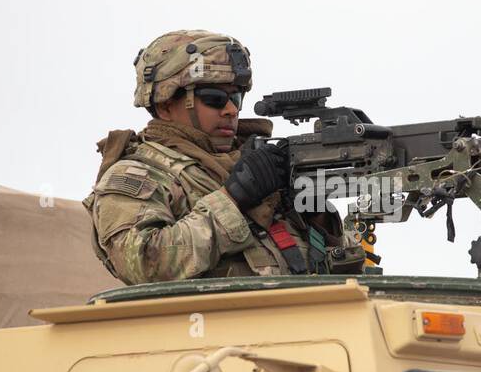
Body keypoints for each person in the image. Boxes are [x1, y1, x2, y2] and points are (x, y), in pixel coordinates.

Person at [84, 30, 365, 284]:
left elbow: (343, 275)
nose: (231, 110)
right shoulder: (136, 175)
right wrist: (233, 200)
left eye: (237, 98)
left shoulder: (257, 165)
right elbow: (144, 263)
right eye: (215, 98)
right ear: (167, 103)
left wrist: (320, 220)